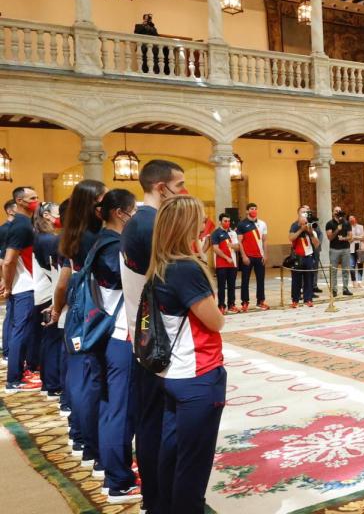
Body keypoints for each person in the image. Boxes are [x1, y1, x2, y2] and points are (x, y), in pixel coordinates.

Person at [146, 195, 226, 513]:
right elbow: (215, 320)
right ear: (186, 226)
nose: (203, 226)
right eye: (199, 221)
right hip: (198, 374)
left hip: (173, 374)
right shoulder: (185, 269)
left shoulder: (161, 265)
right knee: (193, 464)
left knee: (173, 455)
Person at [121, 159, 186, 513]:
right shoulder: (150, 224)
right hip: (155, 339)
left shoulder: (141, 222)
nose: (183, 194)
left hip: (146, 333)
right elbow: (174, 282)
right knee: (155, 422)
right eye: (179, 187)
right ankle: (159, 498)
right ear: (162, 188)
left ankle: (159, 494)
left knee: (156, 419)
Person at [90, 189, 141, 501]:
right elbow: (118, 279)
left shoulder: (105, 241)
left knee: (117, 406)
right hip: (120, 332)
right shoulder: (111, 245)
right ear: (122, 212)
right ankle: (118, 480)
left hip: (115, 331)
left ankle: (116, 467)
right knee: (119, 409)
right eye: (133, 211)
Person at [51, 180, 105, 473]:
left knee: (79, 378)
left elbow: (64, 282)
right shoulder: (96, 236)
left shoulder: (71, 235)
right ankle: (96, 448)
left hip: (76, 311)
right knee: (94, 381)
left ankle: (81, 438)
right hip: (95, 311)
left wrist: (59, 309)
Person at [3, 186, 42, 392]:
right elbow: (8, 260)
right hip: (25, 285)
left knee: (27, 330)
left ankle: (27, 370)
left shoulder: (23, 224)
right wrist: (7, 285)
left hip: (26, 284)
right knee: (21, 331)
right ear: (19, 201)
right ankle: (14, 379)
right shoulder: (20, 226)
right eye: (32, 198)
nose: (37, 201)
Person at [33, 202, 62, 399]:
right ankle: (52, 382)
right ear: (46, 215)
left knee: (48, 339)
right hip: (48, 293)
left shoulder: (43, 237)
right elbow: (56, 272)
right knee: (52, 339)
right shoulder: (48, 240)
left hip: (46, 291)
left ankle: (48, 381)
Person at [235, 203, 269, 311]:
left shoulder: (262, 224)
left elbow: (264, 240)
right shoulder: (241, 224)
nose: (253, 210)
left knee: (261, 280)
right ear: (247, 211)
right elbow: (239, 242)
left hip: (260, 257)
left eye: (255, 209)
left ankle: (261, 301)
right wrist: (243, 256)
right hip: (248, 257)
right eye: (251, 209)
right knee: (245, 280)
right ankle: (245, 302)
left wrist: (265, 254)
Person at [289, 206, 320, 307]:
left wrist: (310, 232)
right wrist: (301, 230)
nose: (305, 214)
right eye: (303, 212)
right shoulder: (294, 226)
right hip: (297, 257)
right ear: (298, 214)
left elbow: (317, 244)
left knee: (309, 279)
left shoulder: (311, 226)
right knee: (296, 280)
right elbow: (291, 238)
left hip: (309, 256)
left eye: (306, 212)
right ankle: (295, 300)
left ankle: (308, 299)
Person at [211, 213, 240, 314]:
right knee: (222, 286)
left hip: (233, 264)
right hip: (221, 265)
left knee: (232, 285)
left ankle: (231, 305)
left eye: (228, 221)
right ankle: (221, 306)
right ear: (220, 221)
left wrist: (233, 245)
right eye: (225, 221)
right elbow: (215, 248)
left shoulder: (233, 233)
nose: (227, 223)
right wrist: (226, 258)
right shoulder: (216, 233)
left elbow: (238, 247)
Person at [1, 199, 16, 364]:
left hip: (13, 276)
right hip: (10, 278)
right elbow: (4, 259)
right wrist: (5, 281)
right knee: (11, 315)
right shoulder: (5, 230)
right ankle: (7, 352)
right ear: (11, 211)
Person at [325, 206, 353, 297]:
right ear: (333, 212)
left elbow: (350, 237)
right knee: (333, 270)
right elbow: (329, 238)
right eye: (335, 211)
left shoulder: (347, 223)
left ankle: (345, 288)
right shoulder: (329, 223)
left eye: (339, 211)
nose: (337, 212)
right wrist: (337, 229)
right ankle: (334, 290)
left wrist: (343, 238)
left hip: (345, 249)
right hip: (334, 250)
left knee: (346, 269)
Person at [349, 214, 364, 288]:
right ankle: (354, 281)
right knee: (352, 265)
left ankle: (360, 281)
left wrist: (354, 237)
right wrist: (358, 237)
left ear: (355, 219)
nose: (352, 220)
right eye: (350, 219)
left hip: (360, 247)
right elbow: (349, 239)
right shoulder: (348, 228)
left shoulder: (360, 227)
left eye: (353, 218)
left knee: (360, 265)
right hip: (351, 248)